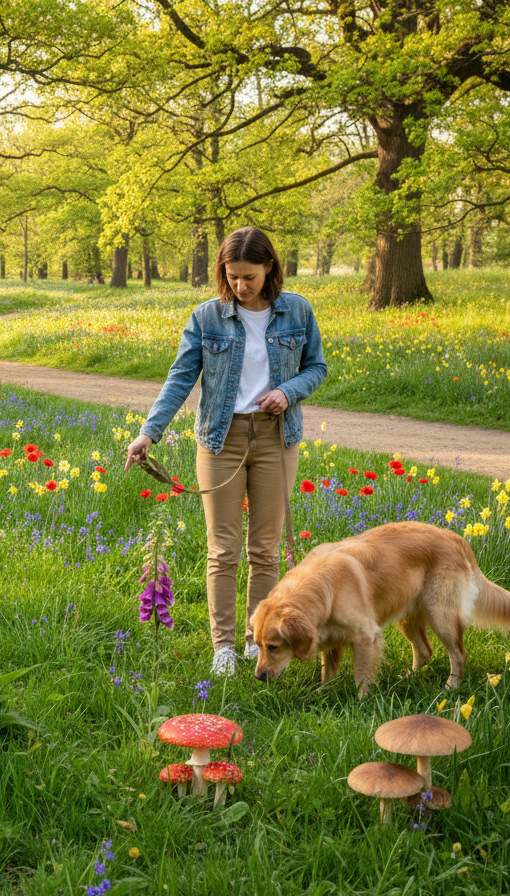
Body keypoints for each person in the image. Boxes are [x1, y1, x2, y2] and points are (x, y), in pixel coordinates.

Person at [124, 227, 327, 676]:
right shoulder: (207, 317)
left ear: (269, 268)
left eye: (249, 276)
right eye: (232, 276)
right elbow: (180, 378)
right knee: (223, 549)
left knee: (266, 550)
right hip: (220, 438)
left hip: (276, 438)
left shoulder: (297, 310)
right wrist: (148, 434)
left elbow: (317, 366)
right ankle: (223, 648)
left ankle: (262, 644)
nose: (240, 286)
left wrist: (289, 392)